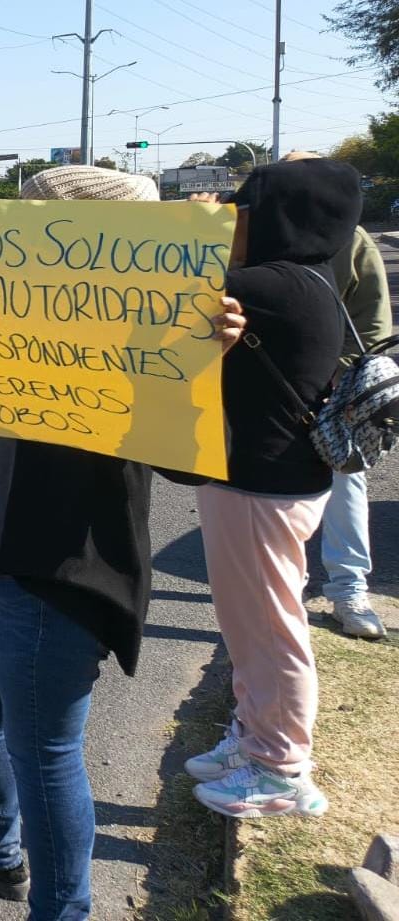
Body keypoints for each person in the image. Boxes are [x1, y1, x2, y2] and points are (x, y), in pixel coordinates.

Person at [0, 166, 247, 920]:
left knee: (46, 754)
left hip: (57, 567)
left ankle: (64, 909)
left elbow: (190, 459)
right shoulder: (0, 312)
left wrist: (208, 358)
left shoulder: (149, 325)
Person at [185, 158, 364, 820]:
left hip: (261, 486)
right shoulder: (306, 282)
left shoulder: (263, 285)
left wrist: (190, 228)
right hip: (275, 481)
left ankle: (281, 765)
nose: (231, 215)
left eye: (242, 207)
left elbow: (150, 286)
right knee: (250, 622)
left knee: (268, 626)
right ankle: (253, 736)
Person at [282, 151, 391, 639]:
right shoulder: (254, 234)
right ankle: (287, 594)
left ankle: (348, 591)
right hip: (263, 394)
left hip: (333, 395)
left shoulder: (354, 240)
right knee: (269, 503)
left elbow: (372, 325)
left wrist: (334, 385)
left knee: (346, 486)